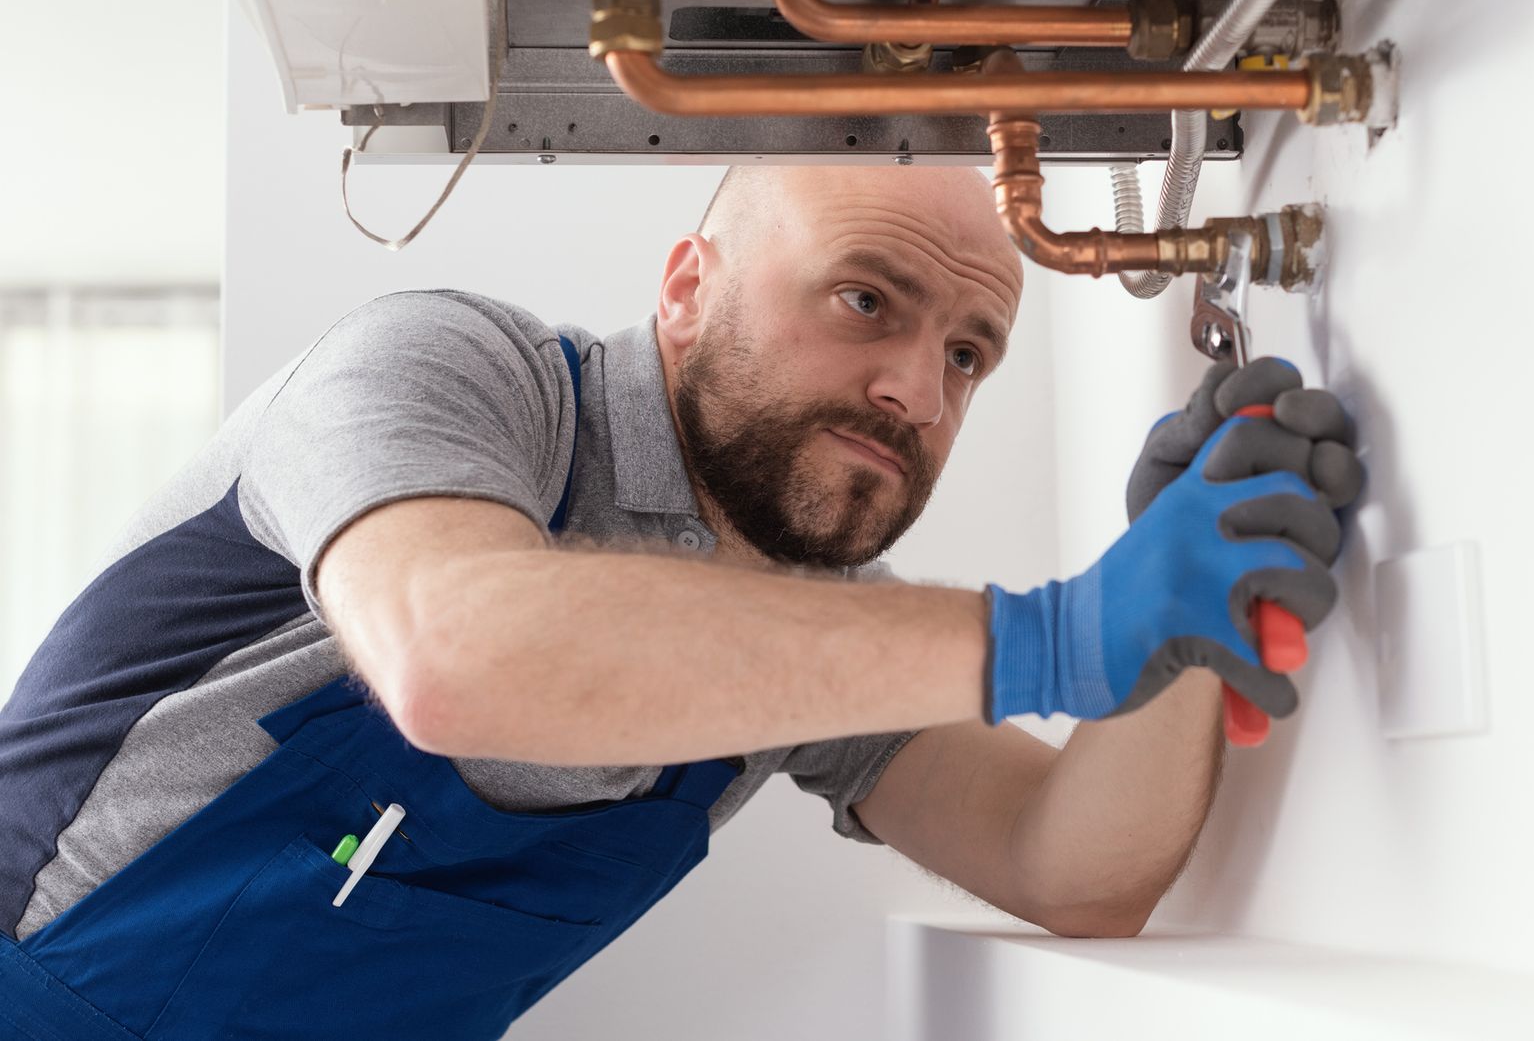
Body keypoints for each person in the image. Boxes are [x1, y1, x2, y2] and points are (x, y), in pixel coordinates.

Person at [0, 164, 1360, 1038]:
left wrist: (1180, 619)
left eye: (968, 352)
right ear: (687, 287)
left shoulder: (810, 628)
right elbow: (454, 650)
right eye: (865, 297)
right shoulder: (460, 375)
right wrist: (1054, 634)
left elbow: (1066, 858)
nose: (918, 389)